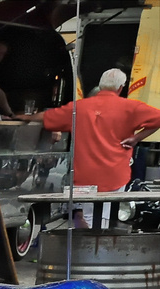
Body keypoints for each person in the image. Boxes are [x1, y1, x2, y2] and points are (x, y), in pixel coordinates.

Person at [24, 69, 160, 225]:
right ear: (120, 88)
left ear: (100, 86)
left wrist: (20, 116)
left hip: (84, 176)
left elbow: (47, 117)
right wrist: (137, 138)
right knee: (106, 218)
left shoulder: (79, 107)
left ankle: (83, 240)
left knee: (85, 216)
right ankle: (98, 241)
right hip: (115, 175)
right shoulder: (131, 107)